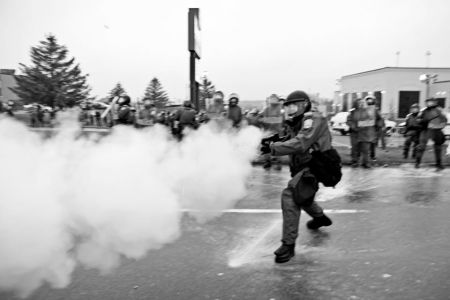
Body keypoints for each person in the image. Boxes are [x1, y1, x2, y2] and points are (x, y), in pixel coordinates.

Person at [261, 90, 333, 264]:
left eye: (293, 105)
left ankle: (288, 245)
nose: (289, 109)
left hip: (316, 166)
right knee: (303, 197)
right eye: (287, 106)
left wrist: (273, 149)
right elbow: (288, 137)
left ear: (304, 104)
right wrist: (272, 141)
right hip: (302, 166)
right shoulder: (296, 122)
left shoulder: (312, 119)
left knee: (291, 196)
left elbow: (301, 142)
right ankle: (320, 218)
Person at [415, 98, 447, 170]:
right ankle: (417, 163)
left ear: (435, 102)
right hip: (425, 130)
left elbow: (444, 119)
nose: (430, 104)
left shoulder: (439, 110)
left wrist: (440, 126)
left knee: (438, 147)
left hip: (436, 130)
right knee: (421, 146)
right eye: (428, 102)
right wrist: (422, 121)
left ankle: (438, 164)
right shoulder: (423, 111)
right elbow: (418, 119)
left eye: (431, 102)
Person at [352, 96, 381, 168]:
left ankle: (366, 163)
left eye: (363, 103)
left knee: (366, 150)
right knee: (357, 150)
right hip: (358, 133)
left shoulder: (370, 111)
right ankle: (358, 162)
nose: (362, 104)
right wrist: (355, 126)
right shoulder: (357, 111)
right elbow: (354, 120)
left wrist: (361, 124)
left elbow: (373, 121)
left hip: (366, 133)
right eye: (360, 103)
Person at [261, 94, 284, 170]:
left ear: (277, 100)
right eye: (272, 99)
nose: (273, 100)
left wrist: (268, 120)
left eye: (274, 99)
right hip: (268, 132)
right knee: (266, 147)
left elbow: (279, 120)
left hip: (278, 132)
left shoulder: (280, 109)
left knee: (277, 148)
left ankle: (278, 163)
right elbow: (263, 120)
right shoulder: (266, 109)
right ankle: (267, 162)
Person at [346, 98, 362, 167]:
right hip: (353, 132)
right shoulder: (352, 112)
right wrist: (354, 127)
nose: (360, 104)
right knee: (354, 147)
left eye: (361, 103)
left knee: (360, 147)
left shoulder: (365, 112)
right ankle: (354, 160)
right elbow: (348, 120)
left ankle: (358, 160)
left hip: (362, 132)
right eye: (359, 103)